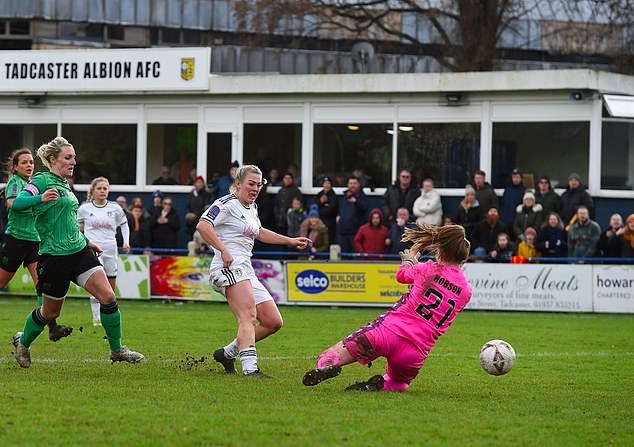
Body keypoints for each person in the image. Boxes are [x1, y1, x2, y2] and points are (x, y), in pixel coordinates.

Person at [11, 136, 143, 368]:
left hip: (79, 251)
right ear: (53, 160)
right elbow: (19, 202)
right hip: (53, 257)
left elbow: (69, 221)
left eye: (74, 158)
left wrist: (86, 240)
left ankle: (117, 349)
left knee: (108, 296)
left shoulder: (65, 185)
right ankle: (24, 342)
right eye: (68, 158)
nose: (73, 162)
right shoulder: (41, 180)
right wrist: (39, 198)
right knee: (49, 313)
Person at [303, 224, 472, 392]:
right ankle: (383, 385)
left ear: (440, 249)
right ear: (463, 256)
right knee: (399, 382)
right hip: (415, 352)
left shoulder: (427, 269)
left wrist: (408, 261)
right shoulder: (466, 291)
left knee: (332, 354)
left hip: (388, 332)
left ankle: (328, 365)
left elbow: (401, 276)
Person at [197, 165, 310, 378]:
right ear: (238, 184)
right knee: (248, 315)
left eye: (259, 184)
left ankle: (228, 353)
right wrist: (223, 250)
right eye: (251, 183)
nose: (256, 188)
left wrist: (290, 241)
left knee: (272, 321)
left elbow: (259, 232)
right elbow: (203, 225)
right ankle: (250, 370)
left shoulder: (252, 208)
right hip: (227, 267)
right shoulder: (225, 204)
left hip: (245, 269)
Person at [1, 148, 72, 342]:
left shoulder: (33, 183)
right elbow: (12, 203)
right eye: (24, 162)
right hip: (16, 240)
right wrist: (41, 198)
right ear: (15, 167)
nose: (29, 165)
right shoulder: (15, 182)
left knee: (41, 285)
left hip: (35, 242)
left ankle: (52, 327)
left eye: (31, 162)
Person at [78, 177, 131, 326]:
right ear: (93, 191)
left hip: (110, 249)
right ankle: (96, 317)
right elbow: (74, 226)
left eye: (105, 188)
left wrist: (126, 241)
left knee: (110, 287)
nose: (102, 191)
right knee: (97, 282)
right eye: (99, 188)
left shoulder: (115, 208)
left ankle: (107, 314)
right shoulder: (84, 209)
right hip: (93, 249)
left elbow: (124, 225)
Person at [337, 176, 369, 253]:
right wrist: (338, 216)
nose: (352, 185)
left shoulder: (362, 196)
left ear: (359, 185)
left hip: (356, 233)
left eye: (354, 183)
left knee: (355, 257)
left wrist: (356, 202)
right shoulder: (344, 196)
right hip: (343, 232)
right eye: (350, 183)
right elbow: (340, 208)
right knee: (344, 257)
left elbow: (364, 208)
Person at [274, 171, 302, 236]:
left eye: (289, 178)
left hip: (291, 221)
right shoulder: (281, 191)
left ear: (292, 180)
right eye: (285, 178)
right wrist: (277, 215)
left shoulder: (296, 191)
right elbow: (276, 205)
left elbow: (299, 205)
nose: (287, 180)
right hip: (280, 221)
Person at [313, 176, 338, 246]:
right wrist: (320, 202)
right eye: (325, 183)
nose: (326, 185)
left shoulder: (333, 196)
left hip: (329, 223)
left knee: (328, 241)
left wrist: (321, 211)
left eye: (328, 183)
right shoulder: (319, 194)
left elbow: (331, 209)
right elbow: (313, 206)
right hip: (318, 223)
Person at [185, 175, 212, 240]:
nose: (199, 184)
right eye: (198, 182)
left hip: (201, 221)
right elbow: (188, 206)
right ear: (195, 183)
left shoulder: (206, 194)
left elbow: (206, 208)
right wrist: (188, 214)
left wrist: (195, 215)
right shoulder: (191, 194)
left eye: (201, 182)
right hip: (191, 223)